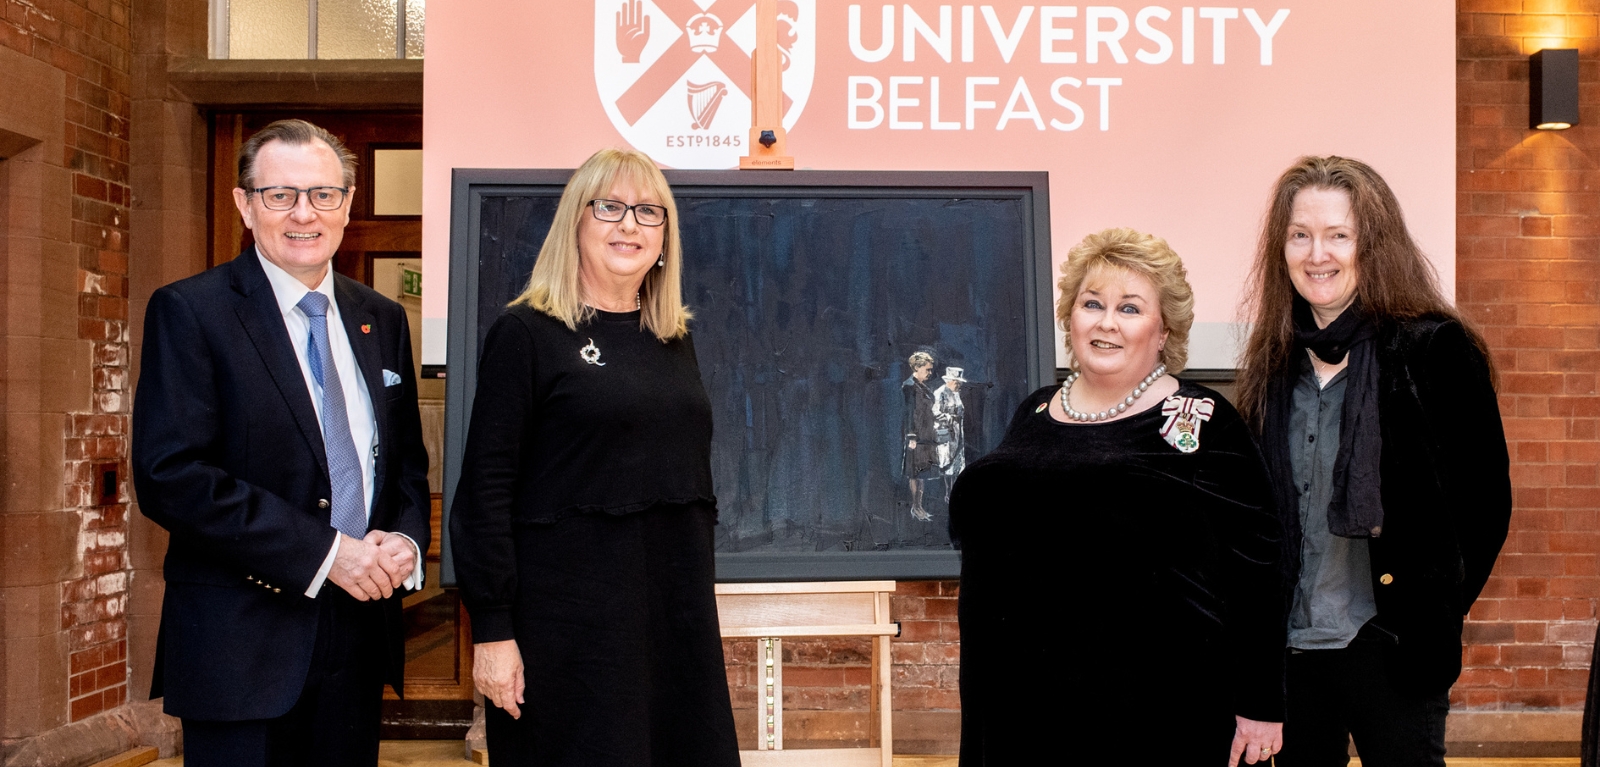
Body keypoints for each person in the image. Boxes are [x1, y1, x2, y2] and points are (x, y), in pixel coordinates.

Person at [131, 119, 431, 766]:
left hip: (357, 637)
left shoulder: (381, 317)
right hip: (239, 646)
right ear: (245, 203)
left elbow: (404, 462)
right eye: (280, 195)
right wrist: (328, 554)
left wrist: (404, 542)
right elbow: (171, 475)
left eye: (323, 194)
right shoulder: (191, 312)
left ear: (348, 204)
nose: (304, 213)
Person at [950, 228, 1286, 766]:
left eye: (1129, 308)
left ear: (1164, 331)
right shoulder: (1036, 410)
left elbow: (1260, 572)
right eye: (1092, 304)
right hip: (1024, 701)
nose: (1106, 322)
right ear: (1070, 318)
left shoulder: (1203, 422)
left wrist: (1261, 702)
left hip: (1158, 709)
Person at [450, 148, 740, 767]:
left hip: (671, 620)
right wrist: (494, 630)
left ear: (665, 236)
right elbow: (484, 492)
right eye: (608, 207)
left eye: (647, 211)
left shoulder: (672, 337)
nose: (628, 224)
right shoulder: (525, 333)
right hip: (566, 632)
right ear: (574, 225)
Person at [1235, 156, 1511, 767]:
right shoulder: (1272, 365)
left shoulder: (1434, 348)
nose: (1317, 254)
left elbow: (1485, 508)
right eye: (1300, 235)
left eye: (1338, 235)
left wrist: (1427, 612)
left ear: (1371, 244)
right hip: (1290, 655)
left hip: (1390, 648)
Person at [901, 350, 939, 520]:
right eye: (927, 369)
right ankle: (916, 507)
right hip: (916, 436)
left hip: (926, 435)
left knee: (922, 472)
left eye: (931, 370)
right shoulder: (910, 386)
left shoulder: (923, 386)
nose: (930, 373)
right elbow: (909, 412)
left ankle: (919, 506)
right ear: (917, 367)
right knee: (915, 472)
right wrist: (911, 436)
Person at [933, 366, 968, 489]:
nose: (959, 385)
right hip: (945, 432)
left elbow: (960, 411)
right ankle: (947, 490)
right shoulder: (940, 393)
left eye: (960, 383)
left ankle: (954, 489)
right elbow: (935, 412)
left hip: (957, 432)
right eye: (957, 382)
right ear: (949, 381)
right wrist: (950, 418)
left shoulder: (956, 394)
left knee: (957, 462)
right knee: (946, 461)